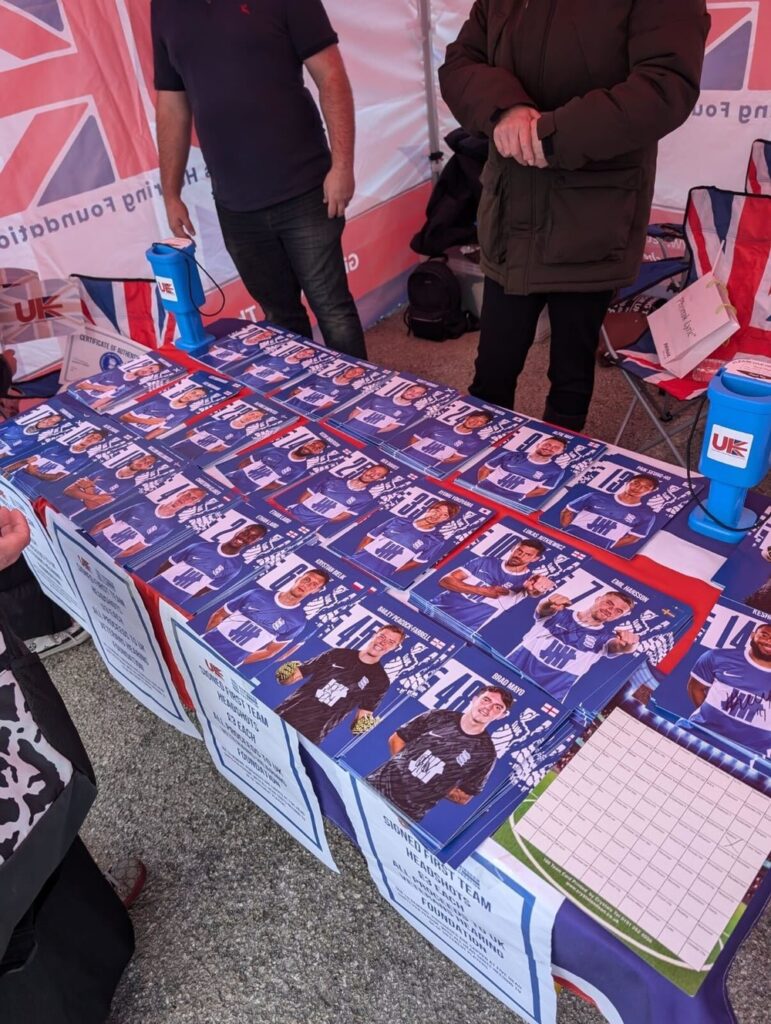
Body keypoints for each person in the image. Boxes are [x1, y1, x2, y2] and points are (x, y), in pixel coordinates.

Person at [439, 1, 709, 429]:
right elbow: (459, 64)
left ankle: (559, 476)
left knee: (570, 383)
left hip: (591, 218)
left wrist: (549, 136)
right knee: (491, 375)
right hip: (511, 214)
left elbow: (665, 85)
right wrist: (503, 109)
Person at [151, 0, 366, 358]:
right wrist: (170, 193)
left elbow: (331, 76)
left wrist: (342, 166)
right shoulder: (164, 7)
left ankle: (359, 405)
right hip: (236, 206)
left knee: (333, 312)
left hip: (306, 190)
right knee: (281, 320)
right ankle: (305, 403)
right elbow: (172, 103)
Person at [366, 687, 512, 822]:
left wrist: (437, 785)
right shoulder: (438, 716)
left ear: (502, 715)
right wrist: (406, 764)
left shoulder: (485, 753)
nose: (488, 708)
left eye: (497, 707)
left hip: (405, 814)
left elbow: (464, 797)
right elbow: (397, 739)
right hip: (376, 786)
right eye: (486, 700)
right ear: (474, 699)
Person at [275, 624, 404, 744]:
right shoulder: (336, 654)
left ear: (394, 648)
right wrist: (283, 675)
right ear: (374, 635)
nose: (383, 642)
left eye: (391, 642)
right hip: (286, 714)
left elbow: (360, 721)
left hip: (312, 733)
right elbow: (290, 678)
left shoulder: (380, 681)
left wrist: (362, 727)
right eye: (382, 636)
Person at [506, 590, 639, 702]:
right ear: (598, 599)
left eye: (618, 611)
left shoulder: (605, 638)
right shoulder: (560, 613)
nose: (611, 610)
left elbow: (621, 647)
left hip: (547, 693)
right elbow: (543, 609)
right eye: (609, 603)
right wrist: (548, 602)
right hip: (510, 671)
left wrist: (632, 645)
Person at [203, 569, 330, 667]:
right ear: (298, 578)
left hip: (227, 663)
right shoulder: (257, 594)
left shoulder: (298, 621)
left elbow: (270, 652)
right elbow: (219, 614)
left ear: (316, 591)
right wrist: (208, 639)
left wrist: (238, 660)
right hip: (205, 643)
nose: (307, 585)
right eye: (306, 579)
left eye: (314, 585)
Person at [433, 536, 552, 632]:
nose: (520, 555)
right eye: (519, 551)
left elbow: (534, 592)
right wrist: (480, 590)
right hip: (435, 608)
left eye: (528, 554)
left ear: (535, 559)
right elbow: (445, 581)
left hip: (462, 628)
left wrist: (538, 589)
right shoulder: (485, 561)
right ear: (513, 549)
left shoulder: (529, 580)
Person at [686, 625, 771, 759]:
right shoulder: (717, 657)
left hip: (750, 756)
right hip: (701, 736)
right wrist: (710, 717)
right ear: (753, 635)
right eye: (764, 635)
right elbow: (695, 687)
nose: (768, 641)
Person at [149, 523, 269, 604]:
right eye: (246, 532)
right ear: (239, 530)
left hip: (176, 598)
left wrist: (181, 592)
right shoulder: (202, 546)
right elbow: (168, 564)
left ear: (254, 542)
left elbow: (206, 589)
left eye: (252, 537)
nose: (245, 537)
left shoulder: (235, 566)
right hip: (156, 584)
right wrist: (157, 582)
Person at [352, 498, 461, 578]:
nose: (437, 515)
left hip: (378, 575)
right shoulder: (398, 520)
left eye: (444, 515)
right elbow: (369, 537)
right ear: (429, 509)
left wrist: (391, 571)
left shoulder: (436, 540)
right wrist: (357, 556)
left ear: (447, 520)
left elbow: (418, 562)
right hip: (355, 562)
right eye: (436, 510)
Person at [560, 474, 659, 550]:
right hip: (566, 539)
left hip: (595, 550)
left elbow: (633, 538)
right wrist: (568, 530)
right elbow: (567, 511)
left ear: (650, 491)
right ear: (627, 482)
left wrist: (606, 545)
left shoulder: (647, 514)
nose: (638, 488)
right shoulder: (595, 496)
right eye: (636, 483)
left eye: (645, 487)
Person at [285, 463, 391, 531]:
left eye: (378, 474)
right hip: (291, 514)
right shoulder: (334, 480)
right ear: (366, 470)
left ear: (380, 479)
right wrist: (296, 513)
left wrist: (315, 522)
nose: (372, 474)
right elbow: (306, 495)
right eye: (372, 471)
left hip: (309, 527)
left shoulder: (366, 498)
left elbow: (343, 516)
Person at [476, 434, 568, 502]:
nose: (549, 448)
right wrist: (481, 484)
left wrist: (521, 496)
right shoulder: (511, 455)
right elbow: (485, 469)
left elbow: (543, 490)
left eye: (556, 447)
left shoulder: (556, 470)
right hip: (485, 488)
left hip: (511, 498)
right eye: (547, 444)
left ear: (560, 452)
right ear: (538, 444)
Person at [401, 410, 494, 470]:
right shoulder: (438, 426)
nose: (475, 422)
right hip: (406, 457)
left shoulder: (472, 442)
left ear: (482, 426)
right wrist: (410, 452)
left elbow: (456, 458)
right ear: (467, 417)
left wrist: (434, 462)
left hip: (425, 467)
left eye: (480, 422)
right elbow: (415, 439)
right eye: (474, 418)